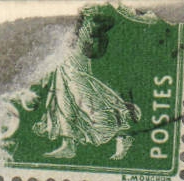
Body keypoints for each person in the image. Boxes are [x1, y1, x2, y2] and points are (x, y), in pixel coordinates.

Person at [25, 8, 141, 160]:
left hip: (75, 55)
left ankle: (121, 135)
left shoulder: (86, 24)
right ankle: (68, 145)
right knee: (62, 98)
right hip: (64, 53)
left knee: (85, 100)